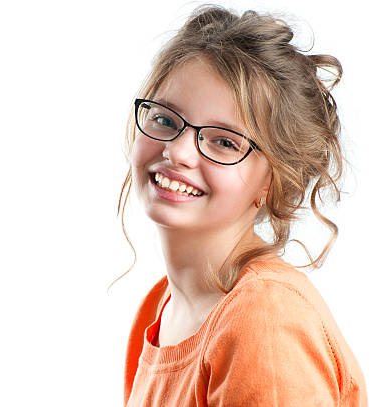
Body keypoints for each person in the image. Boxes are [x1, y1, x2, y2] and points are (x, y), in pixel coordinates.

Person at [115, 4, 368, 406]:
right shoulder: (159, 307)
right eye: (165, 119)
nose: (178, 152)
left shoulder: (265, 319)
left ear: (273, 179)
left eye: (225, 141)